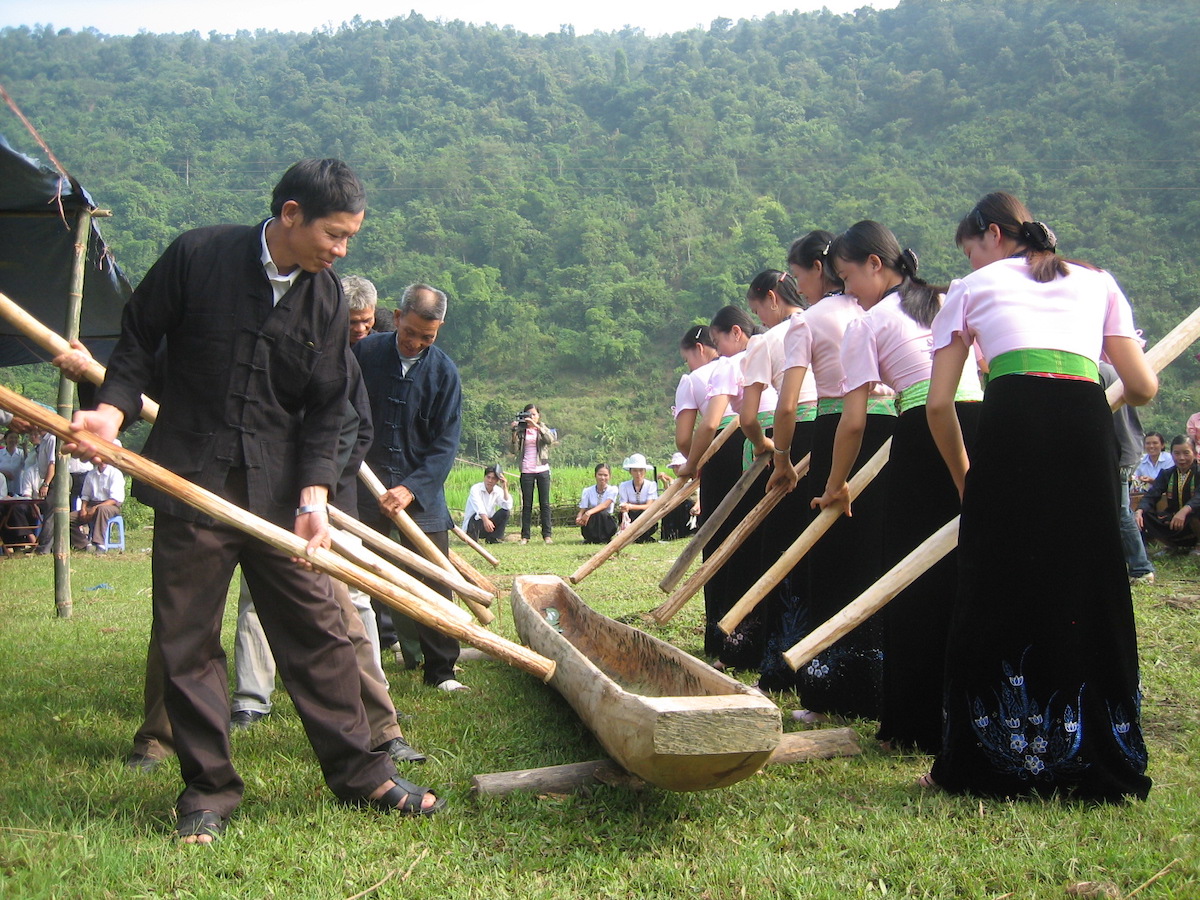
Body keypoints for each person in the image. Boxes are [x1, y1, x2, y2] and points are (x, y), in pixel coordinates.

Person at [65, 158, 442, 842]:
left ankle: (363, 774)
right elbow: (140, 339)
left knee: (320, 630)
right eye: (334, 233)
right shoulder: (199, 254)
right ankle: (208, 790)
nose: (341, 249)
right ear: (291, 214)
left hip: (275, 498)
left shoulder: (326, 298)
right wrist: (112, 414)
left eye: (350, 237)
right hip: (192, 484)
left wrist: (314, 493)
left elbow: (329, 407)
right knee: (187, 641)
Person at [924, 191, 1155, 802]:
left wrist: (965, 477)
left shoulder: (970, 289)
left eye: (972, 248)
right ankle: (1100, 755)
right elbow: (1142, 385)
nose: (973, 260)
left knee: (996, 581)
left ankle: (988, 760)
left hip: (1009, 427)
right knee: (1088, 580)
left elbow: (940, 404)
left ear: (993, 235)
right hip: (1084, 426)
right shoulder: (1098, 282)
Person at [815, 222, 982, 753]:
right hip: (981, 425)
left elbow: (854, 421)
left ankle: (916, 722)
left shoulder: (868, 324)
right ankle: (974, 709)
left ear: (875, 265)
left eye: (846, 279)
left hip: (927, 434)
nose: (847, 293)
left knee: (912, 577)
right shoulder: (946, 299)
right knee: (972, 569)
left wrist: (836, 483)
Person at [770, 231, 894, 725]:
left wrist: (782, 457)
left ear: (819, 270)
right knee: (880, 551)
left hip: (838, 428)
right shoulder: (877, 310)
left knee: (833, 554)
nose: (798, 286)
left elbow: (786, 403)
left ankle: (832, 688)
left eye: (799, 275)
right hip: (891, 429)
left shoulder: (809, 322)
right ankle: (882, 679)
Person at [355, 282, 468, 693]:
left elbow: (445, 445)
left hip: (421, 492)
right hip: (363, 486)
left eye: (428, 337)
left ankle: (441, 671)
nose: (417, 343)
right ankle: (362, 663)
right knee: (357, 576)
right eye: (410, 333)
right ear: (397, 317)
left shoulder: (444, 373)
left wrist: (411, 488)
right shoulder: (363, 354)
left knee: (435, 578)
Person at [677, 306, 775, 670]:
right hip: (767, 438)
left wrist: (692, 464)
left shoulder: (709, 373)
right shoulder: (775, 348)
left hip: (728, 448)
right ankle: (760, 635)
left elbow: (693, 432)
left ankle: (724, 635)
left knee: (723, 543)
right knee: (760, 542)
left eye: (718, 341)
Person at [742, 267, 815, 692]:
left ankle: (781, 663)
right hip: (829, 431)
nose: (761, 319)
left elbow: (750, 417)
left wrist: (767, 446)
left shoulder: (765, 342)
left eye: (758, 309)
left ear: (772, 298)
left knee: (782, 550)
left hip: (789, 440)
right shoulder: (828, 319)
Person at [1101, 363, 1155, 585]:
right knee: (1116, 510)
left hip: (1118, 451)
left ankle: (1141, 568)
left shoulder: (1096, 372)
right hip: (1129, 447)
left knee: (1121, 512)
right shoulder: (1116, 370)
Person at [1136, 434, 1200, 554]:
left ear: (1195, 454)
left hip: (1193, 518)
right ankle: (1172, 546)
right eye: (1177, 453)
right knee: (1145, 514)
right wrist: (1139, 510)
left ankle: (1199, 545)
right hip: (1175, 519)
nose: (1181, 458)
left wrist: (1184, 511)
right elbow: (1152, 495)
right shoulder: (1167, 474)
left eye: (1186, 453)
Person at [511, 404, 555, 544]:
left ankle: (547, 535)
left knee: (545, 503)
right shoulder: (521, 430)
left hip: (542, 468)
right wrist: (513, 432)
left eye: (534, 414)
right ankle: (525, 536)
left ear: (538, 416)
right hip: (526, 470)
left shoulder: (542, 428)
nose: (531, 417)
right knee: (527, 504)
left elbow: (550, 440)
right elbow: (514, 450)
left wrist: (536, 426)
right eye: (528, 415)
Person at [69, 458, 124, 551]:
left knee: (102, 510)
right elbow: (85, 495)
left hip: (111, 506)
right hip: (92, 504)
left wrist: (95, 508)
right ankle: (83, 544)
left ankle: (100, 543)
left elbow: (114, 499)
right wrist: (83, 509)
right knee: (68, 518)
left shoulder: (115, 473)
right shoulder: (91, 474)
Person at [462, 465, 512, 543]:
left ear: (497, 480)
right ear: (484, 477)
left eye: (493, 478)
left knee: (505, 512)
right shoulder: (475, 489)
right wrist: (485, 520)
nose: (490, 481)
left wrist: (504, 487)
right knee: (477, 516)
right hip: (474, 523)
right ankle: (472, 537)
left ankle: (492, 538)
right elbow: (479, 506)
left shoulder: (498, 491)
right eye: (488, 477)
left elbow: (507, 506)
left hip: (489, 525)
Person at [617, 454, 659, 542]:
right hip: (631, 515)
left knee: (649, 513)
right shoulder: (624, 486)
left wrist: (631, 506)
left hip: (645, 514)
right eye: (635, 471)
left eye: (641, 470)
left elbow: (650, 505)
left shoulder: (651, 485)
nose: (638, 474)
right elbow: (623, 504)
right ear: (630, 472)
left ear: (645, 471)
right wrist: (626, 507)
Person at [657, 453, 698, 541]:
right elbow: (671, 494)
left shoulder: (693, 479)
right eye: (675, 466)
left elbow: (682, 493)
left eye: (679, 466)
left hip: (691, 508)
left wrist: (670, 480)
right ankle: (669, 534)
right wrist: (665, 482)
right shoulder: (677, 481)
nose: (677, 468)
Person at [576, 463, 619, 543]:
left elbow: (605, 505)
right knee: (593, 516)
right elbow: (582, 509)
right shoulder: (587, 491)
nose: (602, 478)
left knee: (602, 513)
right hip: (592, 522)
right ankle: (591, 538)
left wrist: (589, 512)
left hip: (606, 522)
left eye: (605, 475)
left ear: (609, 476)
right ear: (595, 475)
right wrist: (579, 517)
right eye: (600, 475)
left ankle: (604, 538)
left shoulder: (613, 490)